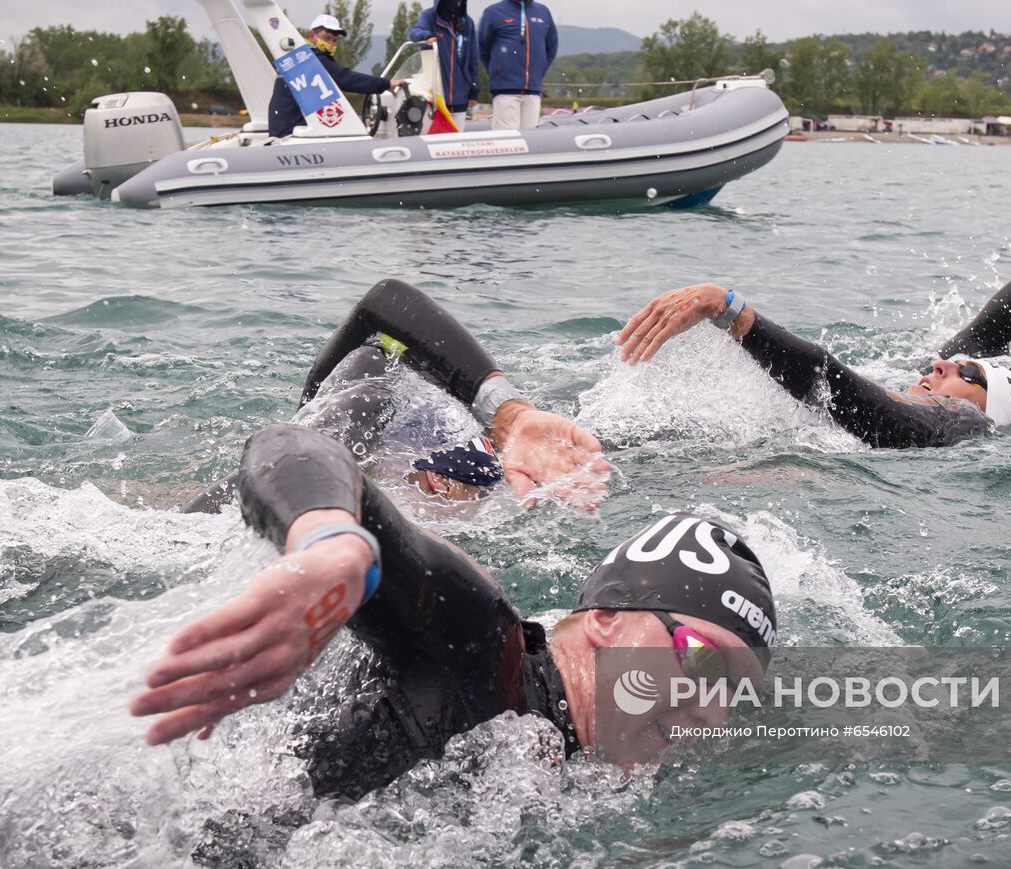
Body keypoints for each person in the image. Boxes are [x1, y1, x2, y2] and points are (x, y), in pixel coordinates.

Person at [130, 296, 778, 802]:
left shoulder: (570, 763)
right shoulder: (480, 647)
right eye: (702, 661)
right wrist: (331, 542)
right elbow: (291, 446)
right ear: (606, 621)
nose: (712, 709)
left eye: (736, 691)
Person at [618, 248, 1011, 448]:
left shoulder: (946, 426)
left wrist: (730, 311)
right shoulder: (946, 385)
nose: (943, 361)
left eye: (962, 372)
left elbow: (841, 391)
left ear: (977, 407)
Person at [182, 279, 602, 512]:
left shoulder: (505, 461)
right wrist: (510, 413)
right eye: (473, 499)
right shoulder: (359, 418)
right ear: (438, 483)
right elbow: (386, 299)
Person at [267, 13, 406, 139]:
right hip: (291, 134)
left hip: (283, 131)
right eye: (326, 38)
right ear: (311, 36)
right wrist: (386, 84)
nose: (331, 43)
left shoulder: (298, 60)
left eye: (334, 40)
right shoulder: (313, 60)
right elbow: (346, 79)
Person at [478, 0, 558, 130]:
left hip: (533, 90)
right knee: (506, 142)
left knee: (531, 141)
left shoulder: (543, 12)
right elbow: (482, 47)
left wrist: (539, 70)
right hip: (505, 90)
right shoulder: (493, 12)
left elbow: (551, 47)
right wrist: (497, 70)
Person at [409, 0, 479, 130]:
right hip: (437, 96)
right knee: (437, 143)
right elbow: (414, 32)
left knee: (457, 142)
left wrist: (474, 89)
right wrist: (426, 36)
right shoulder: (429, 17)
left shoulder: (467, 23)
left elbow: (473, 58)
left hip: (461, 95)